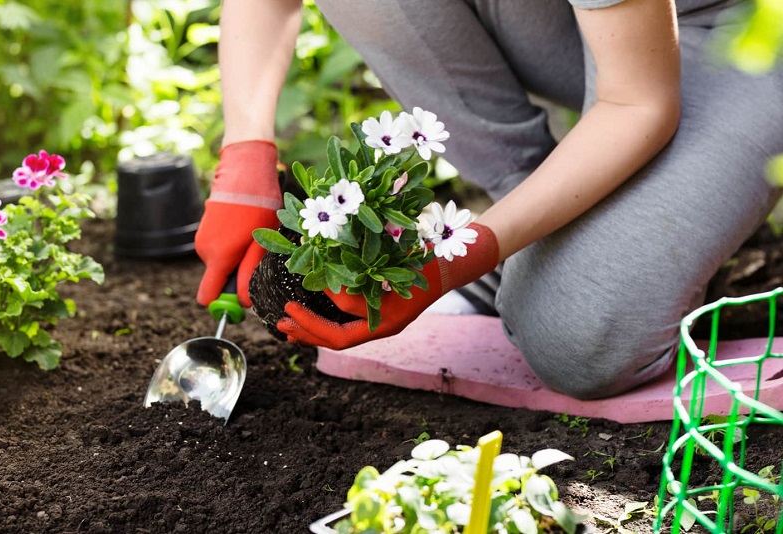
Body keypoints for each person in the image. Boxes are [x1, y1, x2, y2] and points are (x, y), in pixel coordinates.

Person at [194, 0, 783, 400]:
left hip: (738, 30)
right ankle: (533, 234)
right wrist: (244, 155)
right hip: (583, 23)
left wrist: (452, 261)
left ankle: (554, 255)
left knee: (575, 342)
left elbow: (638, 103)